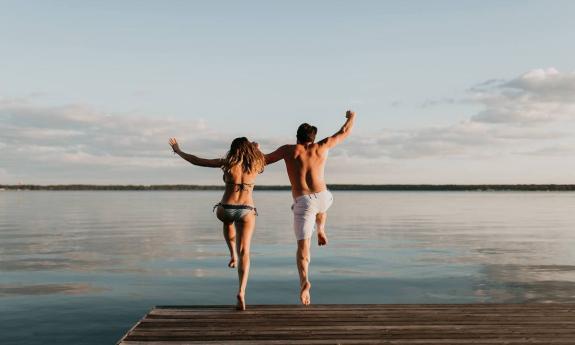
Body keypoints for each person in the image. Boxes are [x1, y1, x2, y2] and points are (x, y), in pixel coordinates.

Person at [264, 110, 356, 305]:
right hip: (323, 197)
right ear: (313, 137)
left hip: (303, 202)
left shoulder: (288, 150)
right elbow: (344, 132)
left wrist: (253, 149)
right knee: (322, 206)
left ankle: (305, 281)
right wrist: (351, 117)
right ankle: (321, 228)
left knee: (303, 247)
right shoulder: (322, 146)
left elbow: (264, 160)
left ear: (297, 137)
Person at [169, 137, 265, 310]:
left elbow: (197, 160)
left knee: (227, 222)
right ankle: (242, 291)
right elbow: (257, 150)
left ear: (233, 148)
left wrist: (179, 150)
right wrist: (256, 147)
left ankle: (232, 254)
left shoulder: (227, 163)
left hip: (226, 208)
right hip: (247, 209)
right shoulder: (257, 164)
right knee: (245, 252)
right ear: (250, 150)